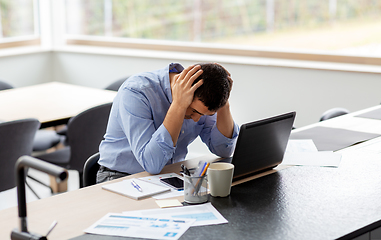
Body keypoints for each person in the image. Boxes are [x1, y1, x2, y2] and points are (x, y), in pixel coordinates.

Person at [97, 62, 239, 183]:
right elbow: (151, 164)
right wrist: (178, 105)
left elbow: (224, 150)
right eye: (194, 111)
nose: (197, 118)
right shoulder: (136, 92)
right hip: (120, 177)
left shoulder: (202, 99)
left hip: (168, 176)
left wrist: (223, 104)